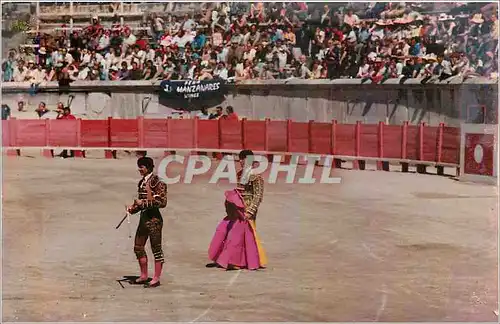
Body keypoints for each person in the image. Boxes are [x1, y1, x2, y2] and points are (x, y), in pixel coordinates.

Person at [207, 149, 267, 270]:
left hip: (247, 209)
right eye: (241, 159)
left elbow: (258, 195)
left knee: (241, 235)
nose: (241, 161)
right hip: (238, 208)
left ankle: (236, 261)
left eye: (244, 159)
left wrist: (250, 211)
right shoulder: (241, 173)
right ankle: (228, 259)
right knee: (228, 231)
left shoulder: (256, 176)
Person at [127, 157, 168, 288]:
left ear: (149, 167)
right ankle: (144, 275)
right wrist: (132, 209)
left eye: (142, 166)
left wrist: (142, 203)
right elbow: (141, 204)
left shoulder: (157, 182)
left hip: (154, 220)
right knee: (138, 247)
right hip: (144, 219)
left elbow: (162, 202)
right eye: (139, 166)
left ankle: (156, 278)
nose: (140, 169)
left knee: (156, 249)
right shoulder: (142, 182)